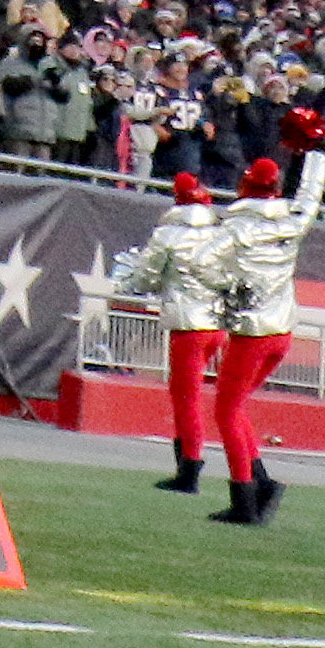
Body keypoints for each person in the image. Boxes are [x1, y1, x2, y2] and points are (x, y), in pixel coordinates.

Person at [212, 112, 325, 526]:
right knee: (237, 407)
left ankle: (244, 498)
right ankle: (260, 483)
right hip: (281, 329)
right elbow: (311, 194)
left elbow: (209, 266)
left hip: (250, 331)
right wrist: (317, 152)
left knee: (226, 412)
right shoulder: (292, 219)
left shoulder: (233, 226)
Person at [117, 172, 235, 496]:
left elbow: (145, 277)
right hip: (217, 323)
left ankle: (189, 468)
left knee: (186, 398)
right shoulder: (219, 232)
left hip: (188, 324)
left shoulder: (167, 234)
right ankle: (188, 466)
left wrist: (133, 283)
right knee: (194, 395)